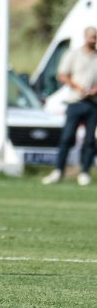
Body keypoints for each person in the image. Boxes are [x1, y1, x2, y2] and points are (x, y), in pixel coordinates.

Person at [42, 26, 97, 187]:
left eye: (95, 37)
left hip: (93, 103)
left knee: (90, 140)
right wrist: (78, 87)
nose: (94, 40)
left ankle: (84, 172)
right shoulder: (73, 54)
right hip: (75, 101)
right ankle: (59, 170)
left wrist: (94, 90)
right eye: (92, 37)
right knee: (67, 137)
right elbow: (62, 75)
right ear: (85, 37)